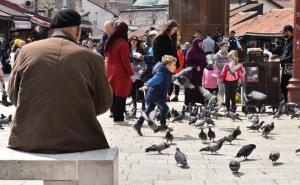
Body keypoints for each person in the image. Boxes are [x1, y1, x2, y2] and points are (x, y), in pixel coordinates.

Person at [8, 9, 112, 153]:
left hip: (27, 139)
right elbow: (103, 103)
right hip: (82, 141)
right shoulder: (93, 58)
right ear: (78, 30)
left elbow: (13, 95)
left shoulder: (26, 51)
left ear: (53, 30)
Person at [132, 55, 177, 136]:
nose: (175, 66)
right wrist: (146, 85)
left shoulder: (166, 72)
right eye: (174, 65)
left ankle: (137, 124)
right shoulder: (162, 73)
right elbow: (155, 79)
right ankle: (163, 126)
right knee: (165, 108)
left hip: (155, 95)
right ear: (168, 65)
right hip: (156, 95)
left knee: (149, 110)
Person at [105, 22, 135, 123]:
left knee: (113, 93)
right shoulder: (123, 43)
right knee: (121, 94)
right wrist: (131, 74)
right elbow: (126, 62)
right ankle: (118, 118)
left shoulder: (111, 41)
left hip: (110, 69)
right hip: (120, 71)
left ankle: (113, 113)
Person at [184, 38, 207, 105]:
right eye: (200, 43)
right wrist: (196, 66)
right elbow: (188, 60)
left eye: (201, 42)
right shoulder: (191, 50)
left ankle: (196, 100)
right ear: (196, 43)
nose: (201, 44)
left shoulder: (200, 50)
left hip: (199, 73)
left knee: (198, 86)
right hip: (192, 73)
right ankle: (190, 101)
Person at [129, 35, 146, 111]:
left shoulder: (141, 50)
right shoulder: (127, 49)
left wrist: (140, 70)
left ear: (137, 42)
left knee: (140, 88)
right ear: (130, 41)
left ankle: (143, 105)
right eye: (132, 40)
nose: (134, 41)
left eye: (135, 40)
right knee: (132, 89)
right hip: (130, 71)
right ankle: (134, 105)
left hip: (139, 71)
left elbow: (143, 62)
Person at [280, 25, 293, 102]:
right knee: (283, 85)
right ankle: (286, 101)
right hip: (286, 66)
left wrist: (281, 60)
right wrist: (280, 58)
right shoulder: (287, 41)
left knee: (285, 85)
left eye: (284, 32)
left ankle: (288, 101)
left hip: (291, 66)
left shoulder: (294, 41)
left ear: (288, 32)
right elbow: (285, 53)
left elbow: (292, 56)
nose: (283, 34)